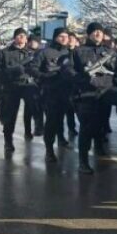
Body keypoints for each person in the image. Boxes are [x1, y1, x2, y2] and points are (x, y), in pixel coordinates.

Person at [69, 22, 117, 174]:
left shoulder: (109, 52)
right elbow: (69, 71)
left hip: (106, 91)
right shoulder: (78, 51)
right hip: (87, 93)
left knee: (104, 121)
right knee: (87, 128)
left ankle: (109, 141)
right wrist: (82, 78)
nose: (98, 34)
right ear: (89, 34)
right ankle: (83, 161)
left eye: (100, 32)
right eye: (94, 31)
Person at [28, 27, 73, 163]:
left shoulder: (70, 52)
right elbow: (32, 68)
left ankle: (61, 138)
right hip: (50, 91)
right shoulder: (44, 52)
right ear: (55, 37)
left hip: (67, 91)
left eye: (66, 36)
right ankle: (49, 150)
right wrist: (44, 76)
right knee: (52, 121)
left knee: (61, 118)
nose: (64, 38)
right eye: (61, 36)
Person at [0, 28, 36, 154]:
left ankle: (30, 131)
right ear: (14, 38)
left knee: (32, 110)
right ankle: (8, 141)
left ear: (26, 39)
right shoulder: (4, 52)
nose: (21, 38)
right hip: (11, 86)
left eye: (24, 36)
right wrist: (7, 75)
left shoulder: (32, 53)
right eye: (19, 35)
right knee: (10, 115)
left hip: (28, 86)